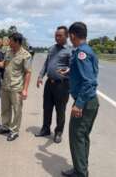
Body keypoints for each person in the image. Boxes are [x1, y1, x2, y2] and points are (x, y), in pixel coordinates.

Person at [60, 22, 99, 177]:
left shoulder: (82, 53)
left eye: (69, 36)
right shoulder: (86, 51)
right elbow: (83, 75)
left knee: (77, 137)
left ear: (73, 35)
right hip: (89, 101)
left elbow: (89, 81)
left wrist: (79, 104)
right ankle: (81, 169)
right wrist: (69, 72)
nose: (69, 39)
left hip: (85, 102)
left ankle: (80, 173)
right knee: (82, 137)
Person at [0, 32, 32, 141]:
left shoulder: (26, 55)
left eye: (10, 41)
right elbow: (4, 65)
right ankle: (5, 126)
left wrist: (25, 90)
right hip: (5, 85)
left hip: (17, 87)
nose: (9, 43)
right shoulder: (8, 52)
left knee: (17, 110)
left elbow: (28, 73)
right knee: (5, 108)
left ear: (17, 42)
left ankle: (14, 131)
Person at [35, 26, 71, 143]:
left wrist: (67, 70)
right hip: (49, 84)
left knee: (60, 110)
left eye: (60, 35)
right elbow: (46, 64)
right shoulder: (52, 49)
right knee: (47, 108)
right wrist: (40, 76)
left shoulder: (70, 51)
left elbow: (73, 67)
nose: (57, 37)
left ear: (67, 36)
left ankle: (58, 132)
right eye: (56, 35)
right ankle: (45, 129)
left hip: (62, 85)